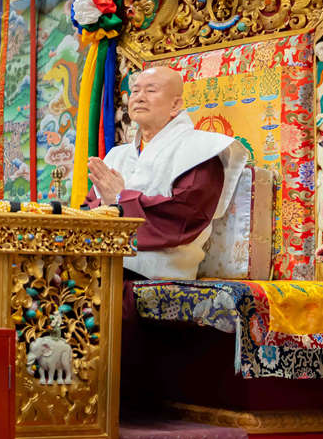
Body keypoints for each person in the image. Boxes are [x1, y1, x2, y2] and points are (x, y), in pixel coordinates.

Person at [85, 65, 246, 280]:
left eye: (151, 90)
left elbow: (182, 220)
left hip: (155, 276)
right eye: (135, 91)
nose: (139, 97)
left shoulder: (201, 150)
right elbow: (88, 210)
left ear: (175, 105)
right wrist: (106, 206)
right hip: (101, 265)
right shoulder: (117, 155)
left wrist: (120, 200)